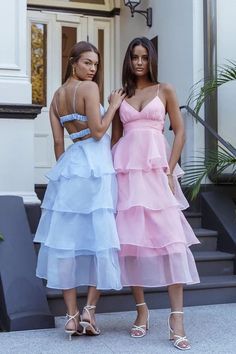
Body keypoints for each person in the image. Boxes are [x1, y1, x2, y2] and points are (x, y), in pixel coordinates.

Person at [111, 37, 200, 350]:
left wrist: (170, 169)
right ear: (128, 60)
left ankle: (176, 317)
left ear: (151, 60)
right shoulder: (120, 94)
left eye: (144, 57)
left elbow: (180, 130)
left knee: (172, 243)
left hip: (157, 171)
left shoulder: (165, 90)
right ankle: (141, 311)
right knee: (131, 245)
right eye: (134, 57)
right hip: (127, 174)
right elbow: (115, 139)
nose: (138, 62)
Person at [34, 41, 125, 340]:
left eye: (96, 65)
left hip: (71, 165)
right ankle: (89, 311)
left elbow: (59, 146)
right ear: (73, 62)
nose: (93, 69)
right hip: (95, 165)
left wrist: (66, 177)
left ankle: (71, 317)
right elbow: (99, 132)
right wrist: (113, 105)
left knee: (67, 241)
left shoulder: (56, 97)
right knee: (101, 236)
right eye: (87, 63)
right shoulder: (89, 89)